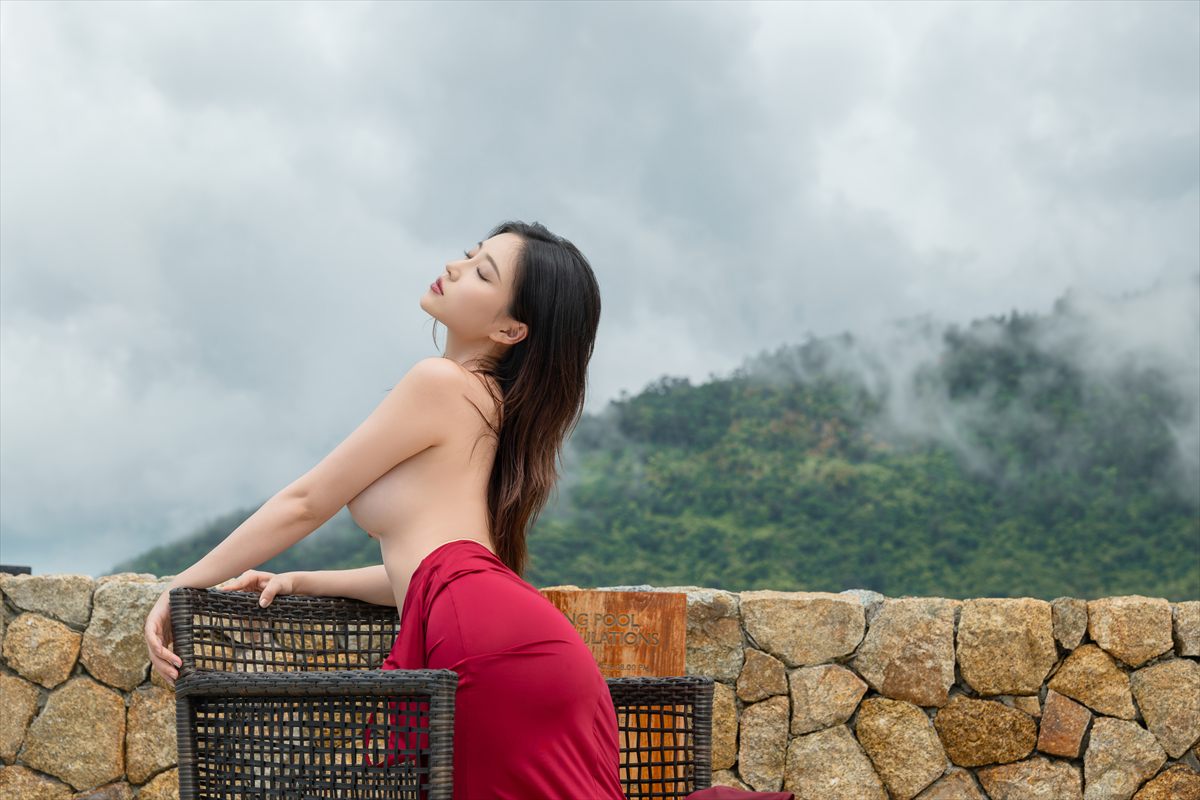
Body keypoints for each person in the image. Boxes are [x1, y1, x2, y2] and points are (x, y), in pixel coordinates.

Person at [143, 220, 624, 800]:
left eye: (482, 272)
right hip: (517, 642)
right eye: (468, 255)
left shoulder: (441, 382)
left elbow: (306, 504)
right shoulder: (491, 405)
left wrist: (181, 586)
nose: (454, 267)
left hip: (488, 647)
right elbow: (430, 573)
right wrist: (301, 580)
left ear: (510, 329)